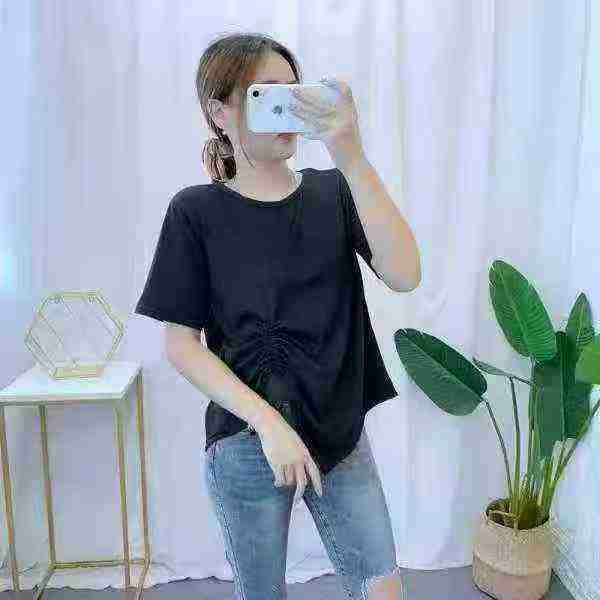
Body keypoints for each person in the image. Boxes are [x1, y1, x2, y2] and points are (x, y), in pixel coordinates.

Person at [135, 31, 418, 600]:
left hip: (338, 429)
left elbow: (405, 274)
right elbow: (182, 345)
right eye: (266, 94)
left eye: (294, 90)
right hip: (246, 439)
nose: (287, 106)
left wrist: (352, 155)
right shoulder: (195, 212)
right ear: (220, 111)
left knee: (384, 587)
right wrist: (268, 424)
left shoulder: (335, 191)